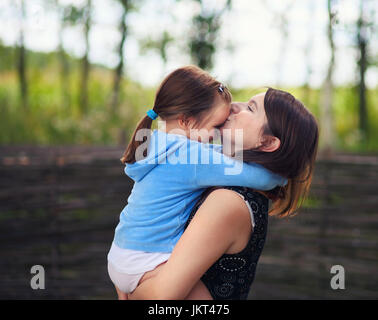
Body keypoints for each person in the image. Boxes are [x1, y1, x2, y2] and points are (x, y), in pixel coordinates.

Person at [122, 88, 319, 300]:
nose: (234, 106)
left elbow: (159, 298)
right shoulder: (218, 182)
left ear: (268, 142)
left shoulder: (228, 202)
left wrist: (125, 282)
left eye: (250, 108)